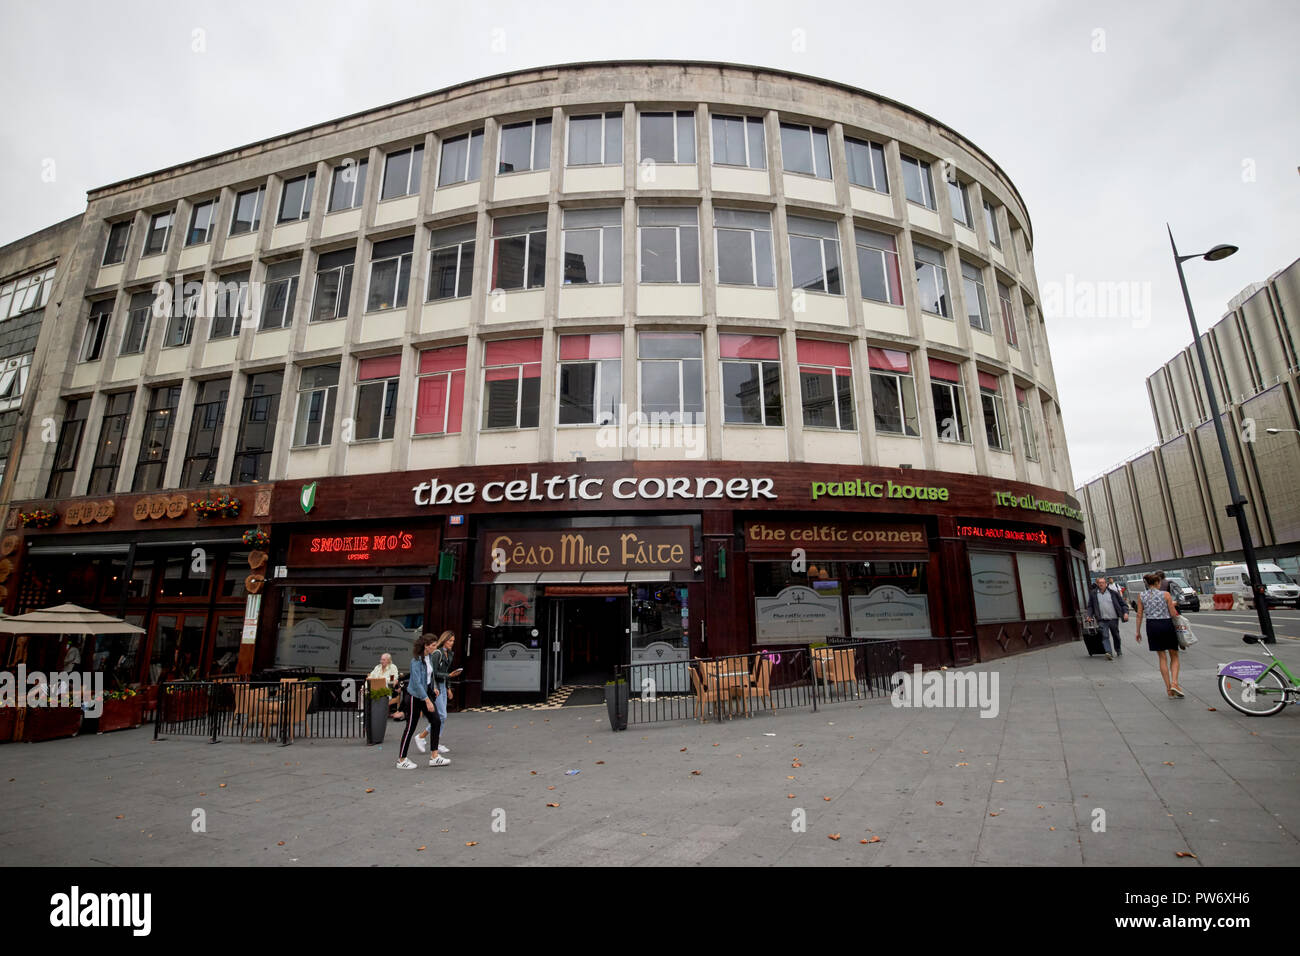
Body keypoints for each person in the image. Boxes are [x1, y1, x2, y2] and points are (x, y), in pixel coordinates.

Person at [396, 634, 449, 770]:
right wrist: (427, 701)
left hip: (426, 694)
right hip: (414, 697)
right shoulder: (416, 661)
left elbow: (429, 676)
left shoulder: (430, 657)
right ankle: (401, 760)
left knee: (436, 720)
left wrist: (434, 688)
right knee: (410, 727)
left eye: (436, 645)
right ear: (426, 646)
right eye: (433, 645)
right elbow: (417, 683)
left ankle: (434, 756)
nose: (435, 647)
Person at [1134, 570, 1184, 698]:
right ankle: (1175, 683)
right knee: (1174, 655)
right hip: (1166, 624)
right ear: (1157, 583)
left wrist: (1138, 632)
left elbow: (1139, 615)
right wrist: (1174, 605)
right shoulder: (1166, 594)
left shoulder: (1141, 596)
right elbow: (1173, 613)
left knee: (1162, 657)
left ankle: (1168, 689)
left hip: (1152, 626)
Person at [417, 631, 463, 755]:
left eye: (453, 641)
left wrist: (448, 687)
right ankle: (422, 736)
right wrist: (449, 675)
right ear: (444, 640)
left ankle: (434, 741)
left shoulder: (450, 654)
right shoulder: (438, 653)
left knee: (443, 716)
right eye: (450, 641)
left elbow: (445, 671)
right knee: (441, 716)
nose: (452, 643)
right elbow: (434, 673)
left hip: (442, 685)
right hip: (436, 686)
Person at [1086, 575, 1128, 659]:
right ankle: (1108, 652)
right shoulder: (1094, 594)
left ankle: (1118, 649)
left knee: (1116, 635)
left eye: (1102, 583)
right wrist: (1089, 615)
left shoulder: (1113, 593)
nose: (1101, 584)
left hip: (1113, 619)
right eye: (1099, 583)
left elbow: (1123, 604)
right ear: (1097, 584)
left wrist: (1125, 613)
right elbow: (1090, 606)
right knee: (1105, 635)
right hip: (1101, 619)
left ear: (1106, 583)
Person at [368, 653, 403, 720]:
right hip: (375, 688)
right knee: (365, 688)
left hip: (388, 688)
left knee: (383, 685)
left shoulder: (393, 667)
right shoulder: (377, 667)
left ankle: (378, 712)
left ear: (389, 660)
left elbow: (393, 679)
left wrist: (382, 680)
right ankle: (369, 712)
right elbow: (370, 676)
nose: (381, 661)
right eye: (381, 659)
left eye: (383, 660)